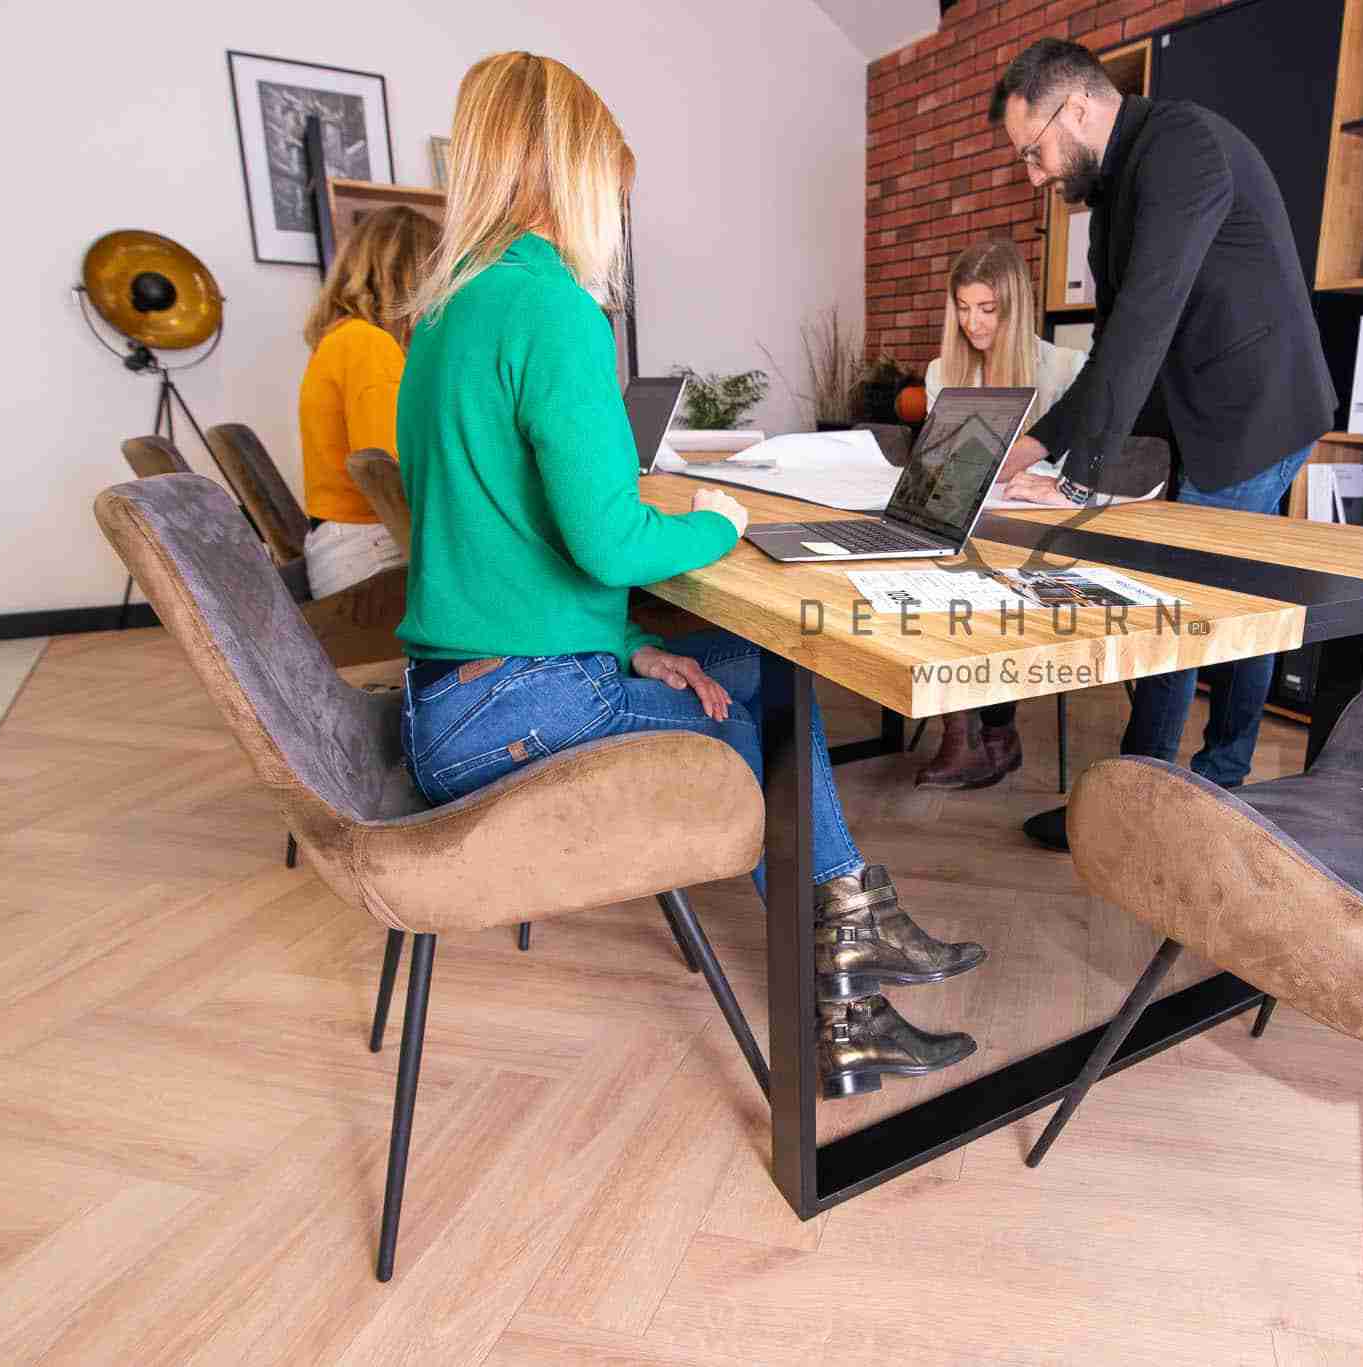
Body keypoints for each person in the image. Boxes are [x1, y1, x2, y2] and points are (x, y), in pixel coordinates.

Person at [394, 52, 982, 1097]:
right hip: (518, 701)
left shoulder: (444, 314)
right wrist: (718, 519)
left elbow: (492, 542)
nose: (615, 219)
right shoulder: (550, 307)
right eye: (611, 192)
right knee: (756, 733)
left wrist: (632, 646)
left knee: (753, 667)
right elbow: (614, 544)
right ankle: (846, 971)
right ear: (571, 175)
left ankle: (852, 964)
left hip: (464, 691)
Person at [988, 38, 1338, 851]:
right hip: (1207, 409)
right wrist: (1035, 445)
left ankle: (1142, 809)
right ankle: (1204, 784)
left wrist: (1081, 482)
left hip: (1259, 411)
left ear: (1074, 107)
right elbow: (1115, 347)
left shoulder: (1185, 149)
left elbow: (1147, 323)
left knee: (1176, 602)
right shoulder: (1115, 187)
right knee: (1236, 595)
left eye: (1032, 152)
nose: (1034, 175)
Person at [914, 238, 1087, 789]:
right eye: (963, 309)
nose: (974, 323)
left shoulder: (1064, 367)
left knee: (982, 573)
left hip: (1043, 535)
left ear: (1012, 308)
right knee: (932, 563)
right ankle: (967, 732)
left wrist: (1056, 479)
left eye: (987, 309)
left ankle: (991, 730)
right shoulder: (943, 371)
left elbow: (1089, 465)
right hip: (967, 521)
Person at [298, 204, 440, 599]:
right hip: (372, 553)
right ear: (413, 276)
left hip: (348, 545)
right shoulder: (368, 345)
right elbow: (399, 474)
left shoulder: (343, 339)